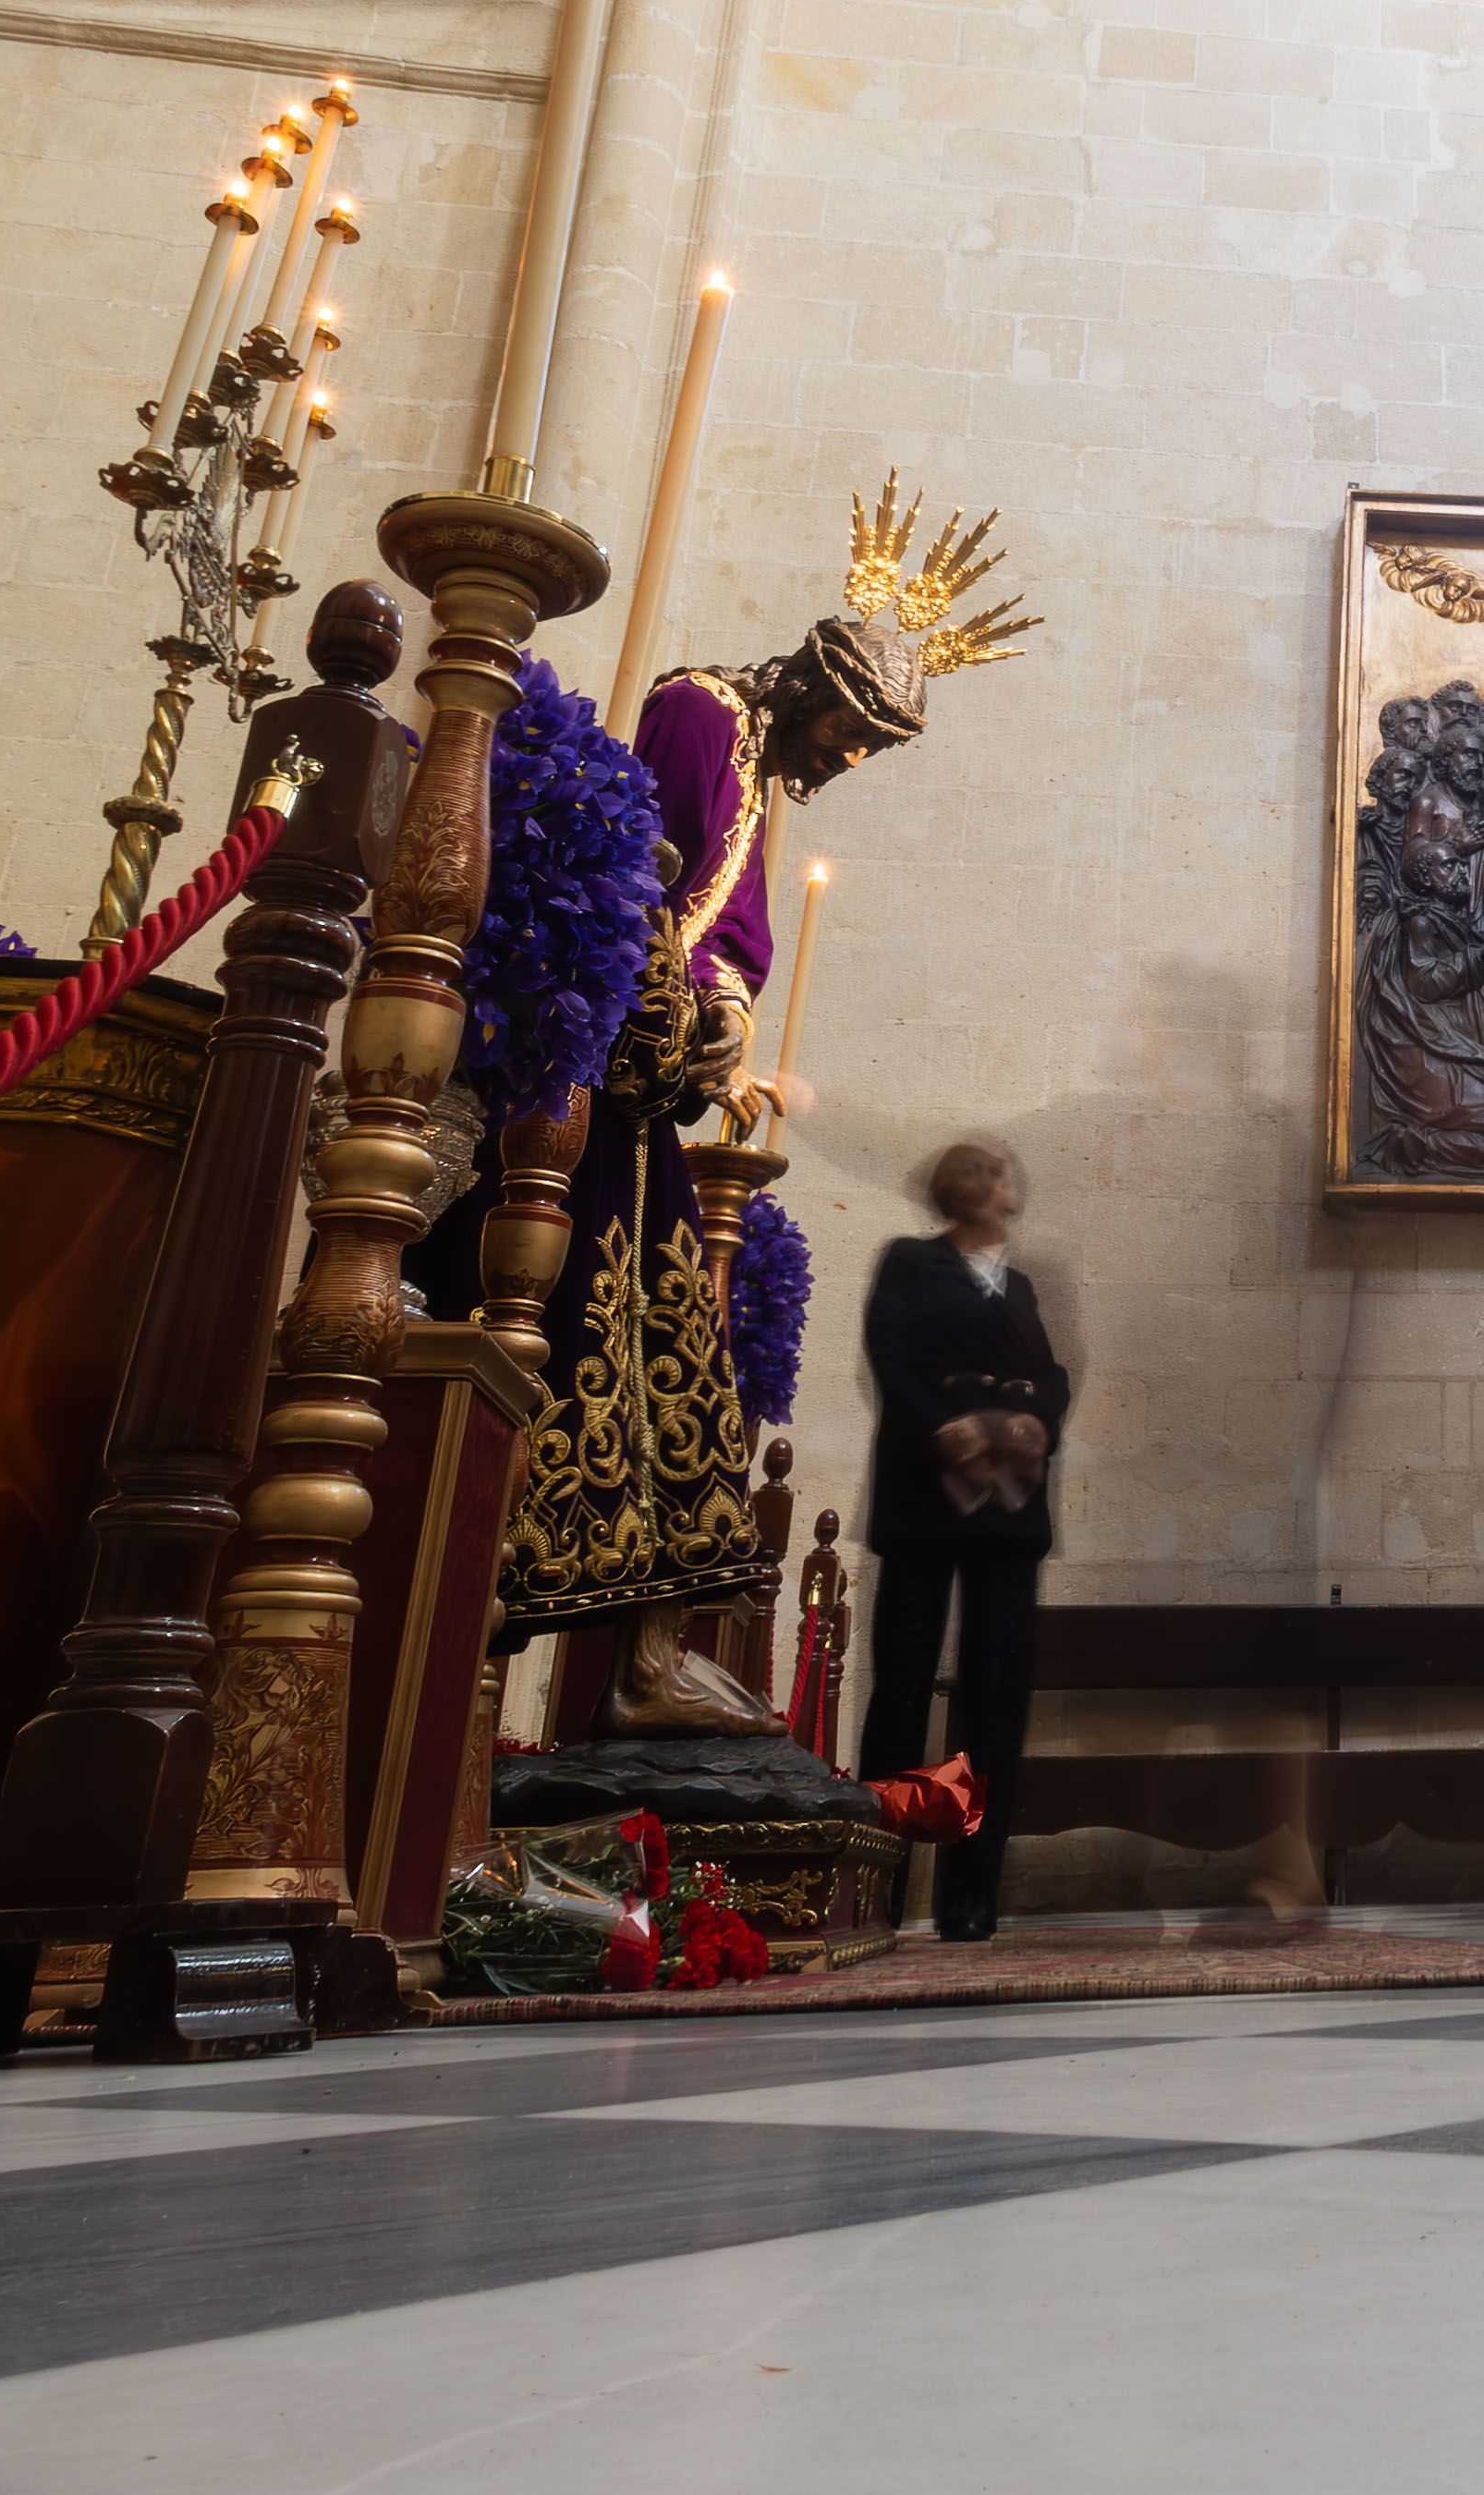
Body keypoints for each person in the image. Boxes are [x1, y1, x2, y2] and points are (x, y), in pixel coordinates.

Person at [453, 478, 1039, 1721]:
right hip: (592, 1082)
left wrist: (722, 1023)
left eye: (874, 741)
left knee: (684, 1364)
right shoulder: (700, 712)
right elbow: (641, 890)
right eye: (853, 727)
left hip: (642, 1094)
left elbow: (725, 942)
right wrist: (686, 1012)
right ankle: (548, 1646)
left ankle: (644, 1658)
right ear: (815, 684)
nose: (854, 752)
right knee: (609, 1341)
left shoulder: (761, 770)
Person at [859, 1139, 1072, 1942]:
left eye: (995, 1172)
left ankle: (970, 1892)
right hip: (927, 1496)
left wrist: (1035, 1417)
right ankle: (881, 1881)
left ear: (1011, 1193)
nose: (986, 1184)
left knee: (995, 1701)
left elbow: (1051, 1375)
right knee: (904, 1692)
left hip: (1007, 1510)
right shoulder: (909, 1261)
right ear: (946, 1190)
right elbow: (893, 1356)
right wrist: (942, 1426)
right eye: (970, 1172)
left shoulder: (1018, 1284)